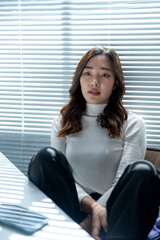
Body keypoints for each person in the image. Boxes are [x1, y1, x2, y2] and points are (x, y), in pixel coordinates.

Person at [28, 46, 160, 240]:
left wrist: (95, 216)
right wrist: (92, 208)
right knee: (44, 158)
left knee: (144, 171)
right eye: (87, 73)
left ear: (115, 83)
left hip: (114, 212)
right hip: (72, 207)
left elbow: (122, 180)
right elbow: (62, 179)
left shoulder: (132, 123)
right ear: (79, 79)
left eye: (105, 75)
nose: (94, 82)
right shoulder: (62, 121)